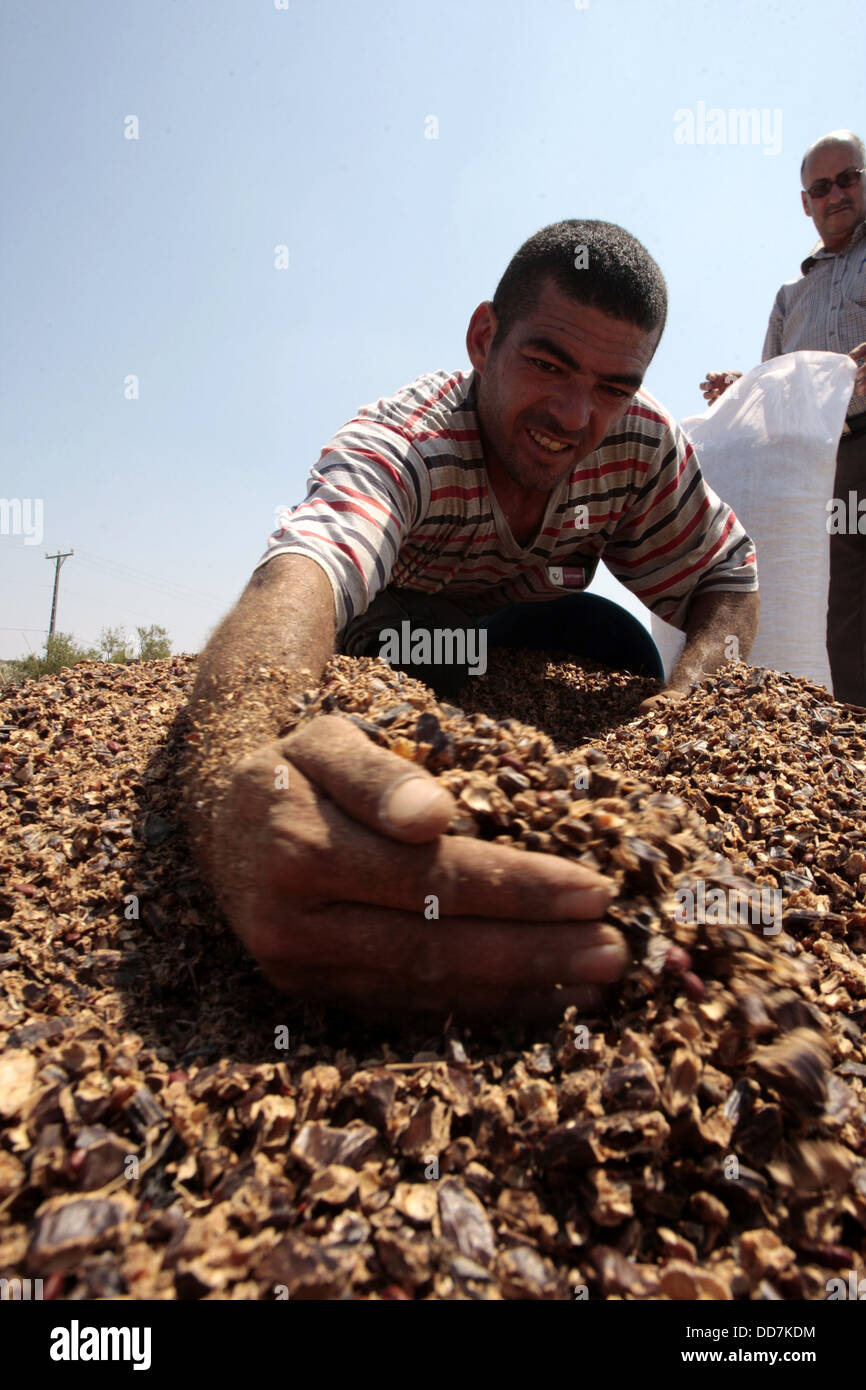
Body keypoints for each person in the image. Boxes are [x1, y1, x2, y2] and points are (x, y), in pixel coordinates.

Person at [183, 220, 759, 1020]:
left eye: (612, 387)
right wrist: (232, 793)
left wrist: (689, 709)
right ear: (484, 338)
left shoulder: (638, 442)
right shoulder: (406, 440)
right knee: (403, 656)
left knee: (613, 644)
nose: (572, 412)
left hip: (527, 628)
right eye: (547, 363)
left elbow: (729, 577)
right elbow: (300, 579)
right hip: (390, 647)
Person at [701, 129, 866, 705]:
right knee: (837, 592)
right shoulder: (791, 297)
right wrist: (741, 388)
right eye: (821, 187)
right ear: (806, 202)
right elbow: (774, 386)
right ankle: (848, 731)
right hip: (823, 458)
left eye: (848, 178)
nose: (836, 194)